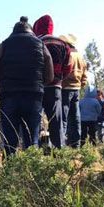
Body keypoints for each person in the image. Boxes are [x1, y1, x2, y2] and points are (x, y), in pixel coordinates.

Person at [0, 16, 54, 156]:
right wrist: (41, 84)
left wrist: (2, 85)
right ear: (31, 30)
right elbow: (50, 75)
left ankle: (10, 170)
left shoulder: (4, 45)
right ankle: (32, 169)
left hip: (9, 95)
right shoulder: (40, 44)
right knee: (32, 137)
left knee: (10, 137)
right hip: (34, 95)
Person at [33, 15, 73, 149]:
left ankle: (35, 150)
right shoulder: (63, 45)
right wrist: (59, 78)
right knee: (56, 121)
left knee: (35, 119)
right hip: (55, 88)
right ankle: (58, 150)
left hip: (37, 86)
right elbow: (69, 67)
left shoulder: (35, 42)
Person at [60, 34, 88, 148]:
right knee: (75, 117)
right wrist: (81, 85)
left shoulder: (68, 54)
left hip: (65, 87)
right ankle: (75, 144)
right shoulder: (80, 57)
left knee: (63, 117)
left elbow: (64, 70)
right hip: (76, 88)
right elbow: (85, 75)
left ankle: (61, 144)